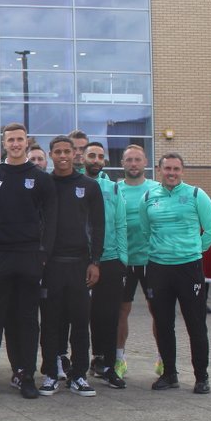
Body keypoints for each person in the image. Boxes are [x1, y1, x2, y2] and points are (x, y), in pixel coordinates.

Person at [0, 123, 56, 399]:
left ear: (26, 142)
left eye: (20, 139)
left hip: (30, 257)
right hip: (0, 257)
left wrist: (43, 254)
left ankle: (27, 375)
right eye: (11, 140)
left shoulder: (41, 179)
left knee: (28, 319)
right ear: (4, 144)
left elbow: (51, 220)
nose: (16, 144)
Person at [139, 152, 211, 394]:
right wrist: (161, 251)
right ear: (159, 170)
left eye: (176, 169)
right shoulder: (148, 196)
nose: (171, 173)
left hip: (189, 268)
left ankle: (201, 376)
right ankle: (169, 374)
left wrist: (192, 250)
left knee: (196, 324)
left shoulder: (196, 195)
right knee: (163, 323)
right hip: (158, 268)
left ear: (182, 171)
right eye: (167, 169)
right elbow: (145, 231)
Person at [36, 137, 104, 397]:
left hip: (79, 265)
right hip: (50, 265)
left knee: (79, 322)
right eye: (58, 152)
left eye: (67, 151)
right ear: (51, 154)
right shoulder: (44, 185)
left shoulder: (88, 186)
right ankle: (51, 374)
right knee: (51, 322)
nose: (63, 156)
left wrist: (95, 261)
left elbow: (98, 227)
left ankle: (79, 375)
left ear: (75, 154)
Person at [83, 142, 128, 389]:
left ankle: (109, 366)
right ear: (83, 157)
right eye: (92, 155)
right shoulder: (74, 184)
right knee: (79, 316)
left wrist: (123, 259)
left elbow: (120, 224)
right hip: (80, 259)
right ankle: (76, 367)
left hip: (110, 260)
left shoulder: (113, 187)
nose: (96, 159)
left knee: (108, 317)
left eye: (101, 156)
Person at [117, 144, 156, 378]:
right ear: (122, 163)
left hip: (151, 261)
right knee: (121, 311)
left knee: (157, 310)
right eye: (129, 159)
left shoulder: (156, 189)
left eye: (137, 160)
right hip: (123, 261)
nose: (133, 164)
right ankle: (119, 359)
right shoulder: (115, 189)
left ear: (145, 162)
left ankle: (164, 360)